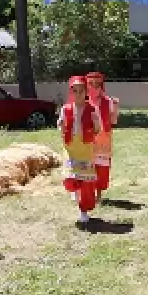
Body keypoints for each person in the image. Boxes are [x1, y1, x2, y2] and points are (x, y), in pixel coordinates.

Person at [58, 76, 103, 224]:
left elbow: (97, 130)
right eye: (75, 91)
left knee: (86, 183)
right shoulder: (65, 109)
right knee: (71, 179)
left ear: (86, 91)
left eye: (81, 91)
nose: (78, 94)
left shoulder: (92, 109)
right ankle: (76, 193)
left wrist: (95, 122)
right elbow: (61, 127)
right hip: (71, 148)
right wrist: (60, 126)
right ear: (71, 92)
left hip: (85, 148)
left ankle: (83, 210)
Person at [85, 71, 119, 201]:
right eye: (90, 84)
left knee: (102, 168)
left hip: (103, 140)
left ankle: (98, 194)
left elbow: (114, 121)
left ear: (102, 86)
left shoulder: (108, 101)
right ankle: (85, 192)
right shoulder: (83, 101)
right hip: (87, 140)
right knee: (87, 166)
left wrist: (115, 107)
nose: (94, 87)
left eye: (97, 84)